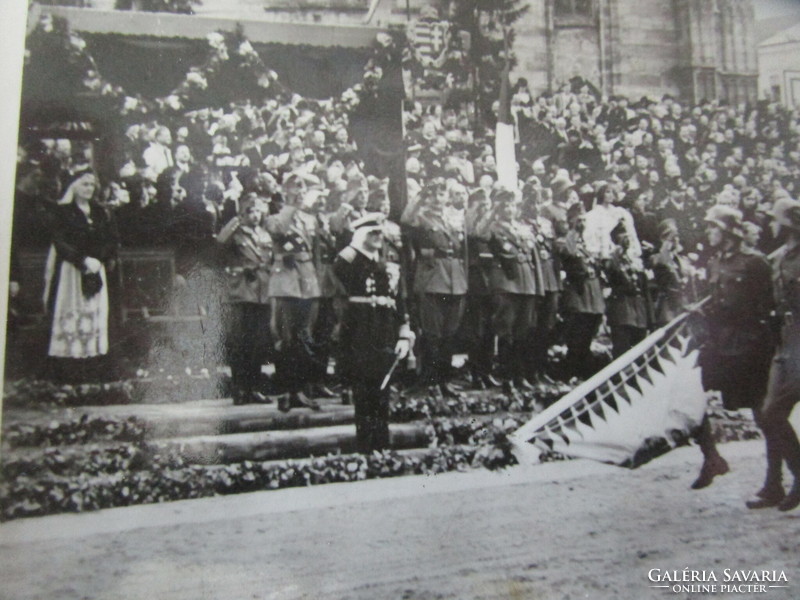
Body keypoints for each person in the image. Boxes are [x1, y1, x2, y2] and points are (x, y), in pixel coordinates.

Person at [693, 205, 775, 490]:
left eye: (713, 227)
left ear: (727, 230)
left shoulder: (755, 262)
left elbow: (769, 307)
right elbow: (715, 300)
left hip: (749, 345)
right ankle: (711, 457)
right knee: (690, 394)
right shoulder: (714, 262)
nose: (708, 232)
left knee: (763, 413)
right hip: (719, 344)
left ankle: (775, 480)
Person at [334, 214, 411, 453]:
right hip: (359, 331)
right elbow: (338, 299)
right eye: (372, 233)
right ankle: (366, 447)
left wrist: (404, 333)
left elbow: (399, 300)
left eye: (380, 233)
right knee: (364, 391)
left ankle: (382, 446)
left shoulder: (388, 262)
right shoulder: (347, 261)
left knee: (382, 389)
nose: (378, 237)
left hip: (385, 330)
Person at [746, 197, 800, 510]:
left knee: (775, 411)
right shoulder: (776, 258)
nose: (771, 224)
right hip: (784, 345)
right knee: (770, 414)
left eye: (775, 219)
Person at [43, 167, 119, 382]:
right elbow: (60, 242)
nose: (89, 188)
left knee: (96, 313)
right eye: (84, 184)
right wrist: (82, 260)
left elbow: (110, 239)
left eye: (92, 185)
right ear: (74, 186)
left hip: (96, 269)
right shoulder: (63, 212)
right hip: (72, 271)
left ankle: (94, 365)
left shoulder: (100, 211)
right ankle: (70, 368)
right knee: (73, 311)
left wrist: (100, 259)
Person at [265, 175, 325, 412]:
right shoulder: (276, 217)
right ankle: (287, 390)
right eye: (295, 190)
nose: (301, 194)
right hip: (286, 280)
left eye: (302, 191)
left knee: (304, 335)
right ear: (285, 193)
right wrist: (289, 208)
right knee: (286, 337)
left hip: (307, 278)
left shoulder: (310, 219)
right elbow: (278, 231)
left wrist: (317, 279)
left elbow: (317, 251)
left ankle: (301, 389)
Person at [216, 194, 273, 405]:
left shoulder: (265, 235)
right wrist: (233, 223)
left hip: (262, 292)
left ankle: (254, 387)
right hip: (240, 291)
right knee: (240, 342)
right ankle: (240, 388)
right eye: (250, 211)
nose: (255, 215)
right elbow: (220, 245)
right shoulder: (234, 233)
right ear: (241, 214)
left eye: (257, 210)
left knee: (258, 342)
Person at [559, 203, 606, 380]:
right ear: (571, 221)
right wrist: (574, 230)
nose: (582, 223)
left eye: (584, 219)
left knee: (589, 331)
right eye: (579, 219)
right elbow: (569, 253)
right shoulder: (567, 240)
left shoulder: (584, 243)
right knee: (577, 333)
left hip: (591, 294)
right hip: (578, 293)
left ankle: (582, 370)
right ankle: (571, 370)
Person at [604, 220, 649, 357]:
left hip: (637, 311)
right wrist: (618, 254)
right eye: (623, 236)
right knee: (622, 350)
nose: (627, 239)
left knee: (639, 350)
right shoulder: (612, 259)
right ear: (616, 239)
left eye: (628, 236)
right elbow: (617, 276)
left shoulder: (633, 259)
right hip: (622, 309)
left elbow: (642, 284)